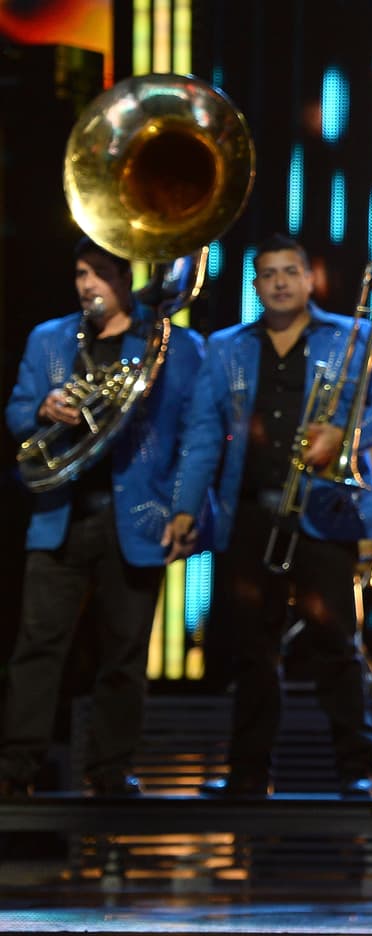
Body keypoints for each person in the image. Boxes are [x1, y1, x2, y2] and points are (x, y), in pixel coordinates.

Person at [163, 234, 372, 800]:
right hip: (251, 513)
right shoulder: (225, 347)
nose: (279, 283)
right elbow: (203, 434)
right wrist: (184, 508)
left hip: (324, 510)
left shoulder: (351, 337)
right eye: (268, 274)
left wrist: (344, 437)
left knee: (335, 642)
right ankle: (248, 773)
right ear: (255, 286)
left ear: (308, 279)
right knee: (252, 648)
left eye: (289, 272)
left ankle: (356, 768)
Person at [0, 237, 205, 797]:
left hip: (134, 517)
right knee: (38, 646)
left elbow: (198, 433)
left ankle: (110, 769)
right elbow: (16, 411)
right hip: (60, 516)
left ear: (125, 278)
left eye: (99, 273)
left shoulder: (172, 343)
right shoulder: (48, 338)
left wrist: (185, 508)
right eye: (80, 274)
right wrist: (42, 408)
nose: (87, 284)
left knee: (125, 653)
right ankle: (17, 767)